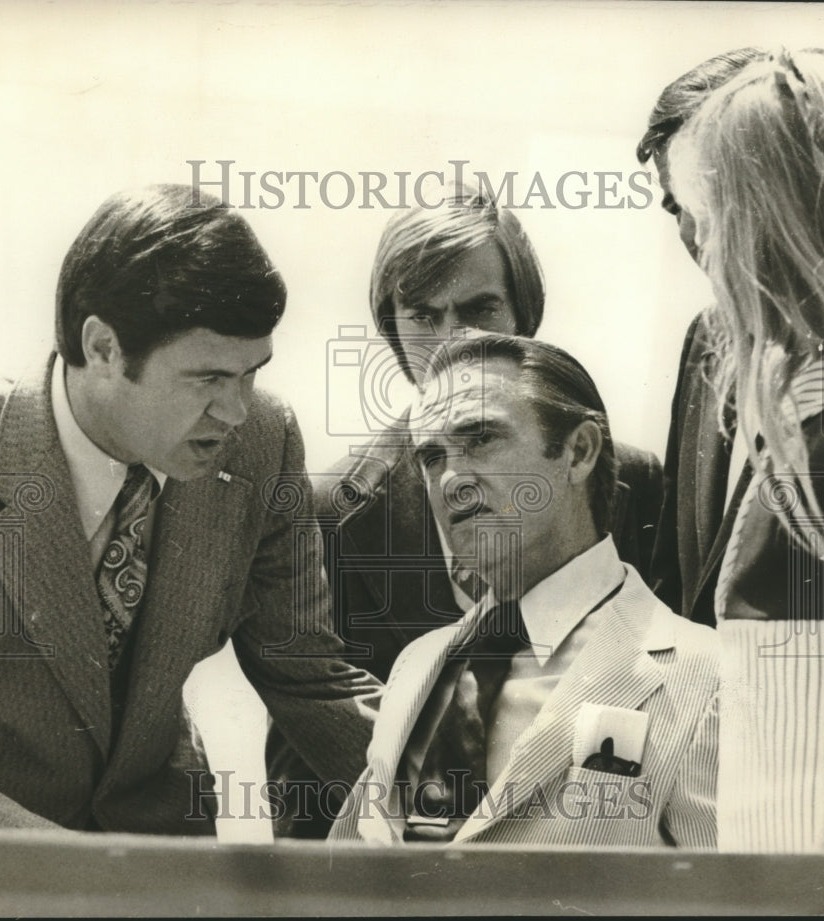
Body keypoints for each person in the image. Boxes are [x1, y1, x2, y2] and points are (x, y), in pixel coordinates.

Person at [0, 184, 380, 833]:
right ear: (102, 348)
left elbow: (308, 678)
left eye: (251, 373)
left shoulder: (264, 444)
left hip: (166, 858)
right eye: (208, 378)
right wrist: (110, 884)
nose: (236, 410)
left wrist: (464, 811)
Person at [266, 185, 664, 837]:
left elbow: (666, 707)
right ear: (391, 329)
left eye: (480, 308)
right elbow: (302, 777)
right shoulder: (335, 512)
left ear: (524, 316)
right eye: (424, 315)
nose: (455, 340)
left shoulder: (632, 485)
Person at [329, 334, 719, 848]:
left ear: (578, 452)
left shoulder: (707, 676)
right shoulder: (416, 667)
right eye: (431, 457)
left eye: (482, 438)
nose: (450, 480)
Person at [667, 48, 824, 851]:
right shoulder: (800, 399)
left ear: (775, 212)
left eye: (709, 204)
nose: (697, 234)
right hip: (772, 869)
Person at [639, 47, 768, 628]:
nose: (691, 231)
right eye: (674, 208)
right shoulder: (706, 339)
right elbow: (674, 579)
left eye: (704, 195)